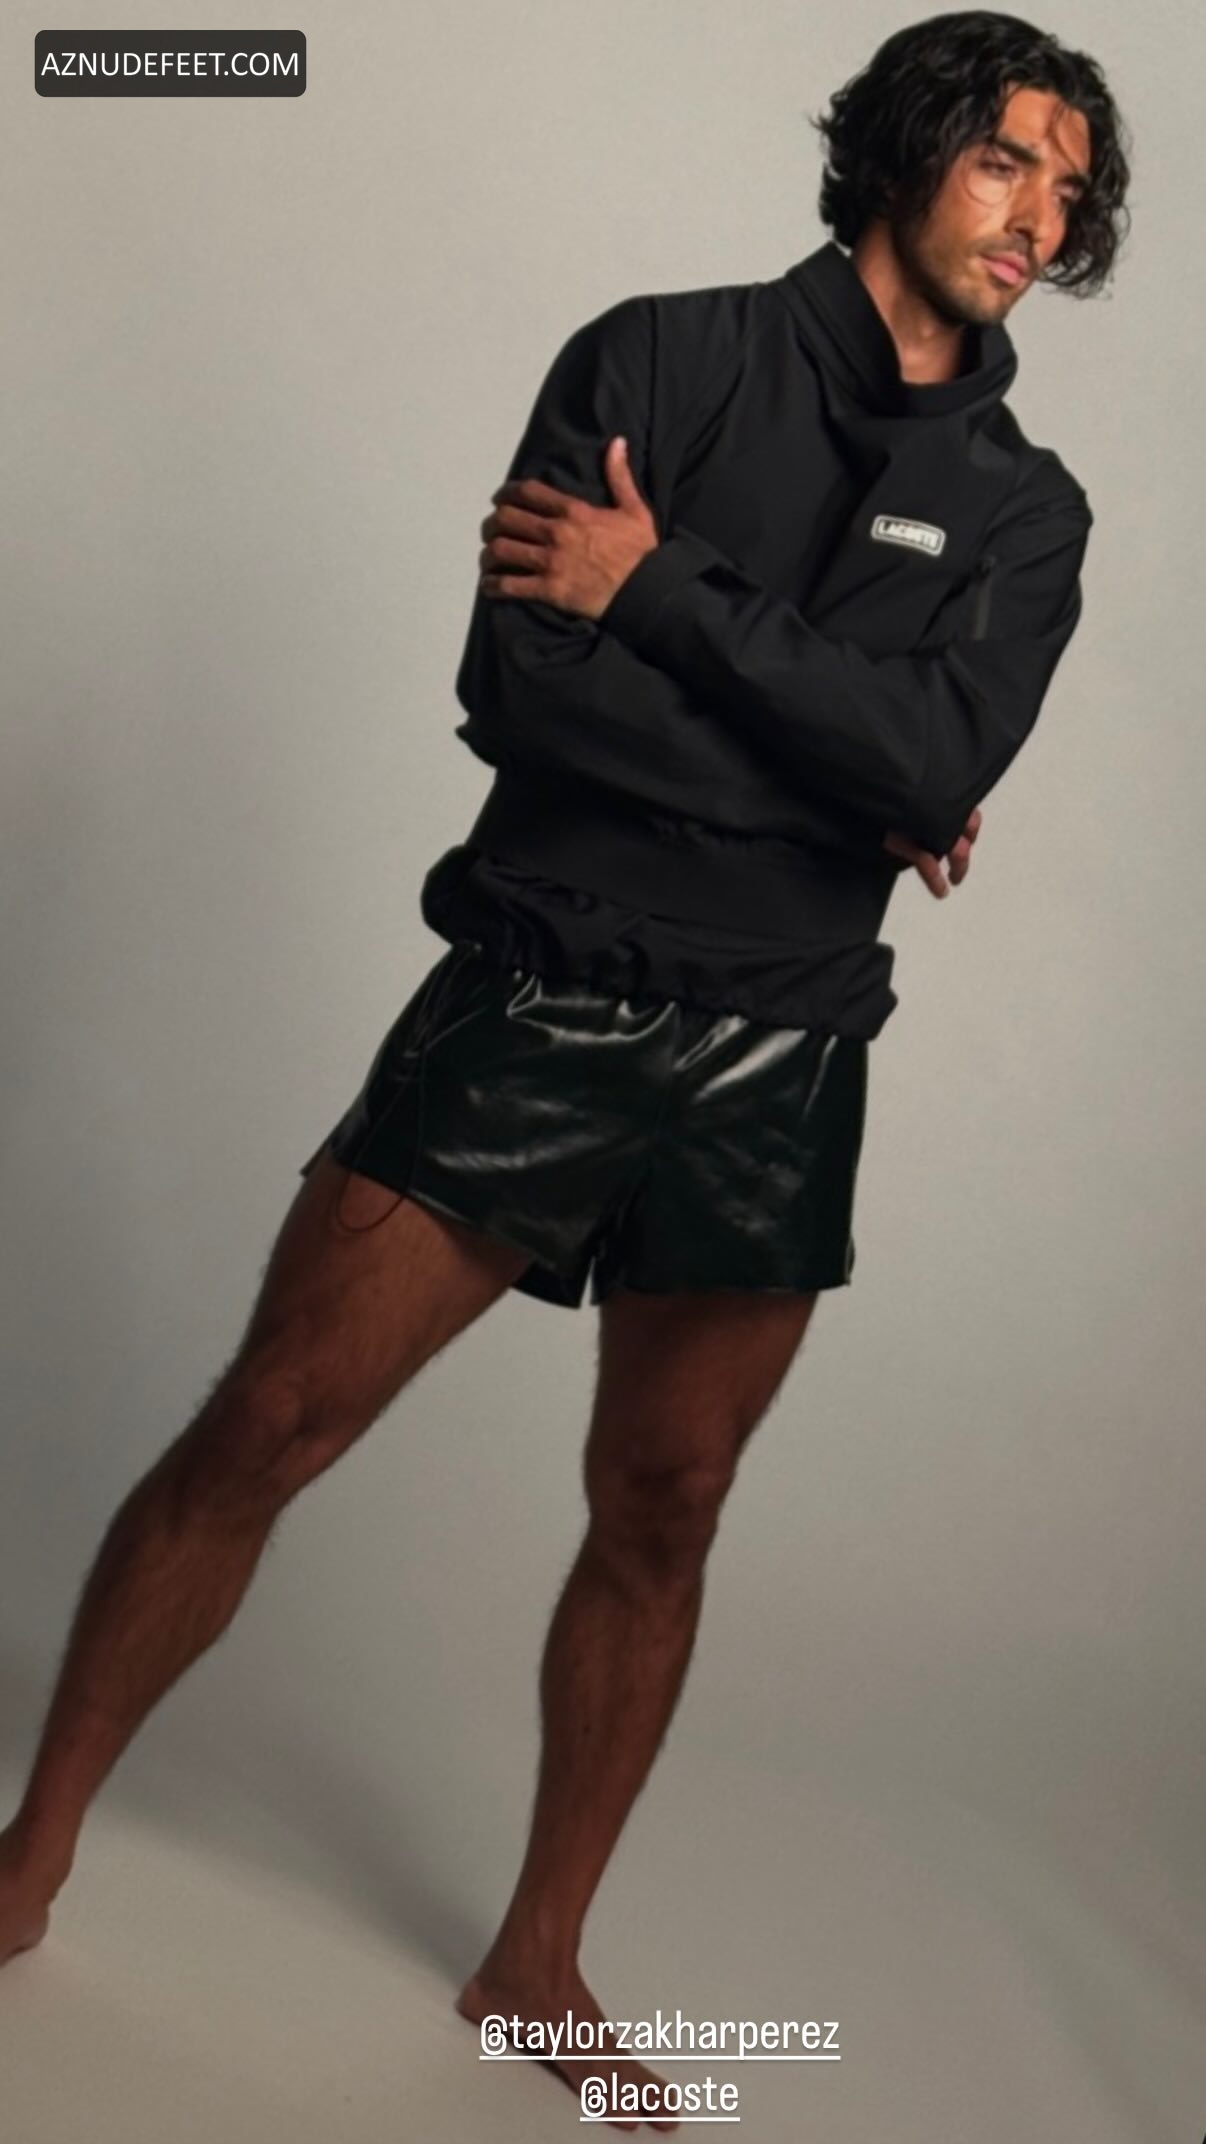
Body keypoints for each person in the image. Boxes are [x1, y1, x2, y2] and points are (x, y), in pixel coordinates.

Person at [1, 10, 1129, 2131]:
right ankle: (26, 1856)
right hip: (541, 986)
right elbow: (523, 690)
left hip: (786, 1045)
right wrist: (842, 773)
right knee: (273, 1417)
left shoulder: (1027, 509)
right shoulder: (661, 360)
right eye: (1006, 160)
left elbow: (935, 758)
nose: (1037, 217)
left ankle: (535, 1960)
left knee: (665, 1507)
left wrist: (666, 597)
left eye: (1069, 193)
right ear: (904, 152)